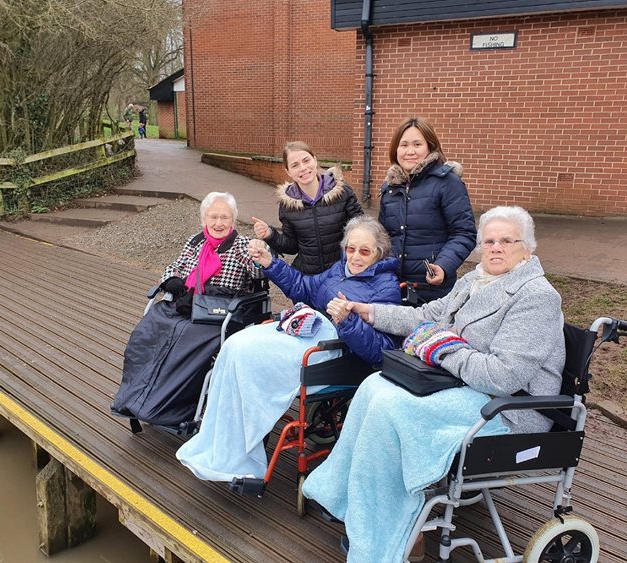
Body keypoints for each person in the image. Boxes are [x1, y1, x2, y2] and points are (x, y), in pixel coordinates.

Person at [302, 206, 565, 563]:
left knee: (393, 410)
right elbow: (426, 317)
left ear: (527, 249)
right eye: (489, 241)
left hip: (509, 409)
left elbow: (504, 377)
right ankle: (349, 500)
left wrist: (440, 348)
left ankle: (396, 536)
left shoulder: (536, 296)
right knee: (374, 387)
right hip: (465, 386)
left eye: (506, 241)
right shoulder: (476, 279)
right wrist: (368, 311)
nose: (496, 248)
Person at [176, 215, 402, 482]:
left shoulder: (385, 287)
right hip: (306, 330)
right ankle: (222, 443)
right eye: (350, 249)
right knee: (234, 345)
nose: (355, 257)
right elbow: (302, 286)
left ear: (379, 252)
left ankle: (242, 451)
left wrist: (348, 321)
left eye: (364, 251)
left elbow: (383, 349)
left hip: (333, 351)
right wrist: (270, 263)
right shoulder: (338, 271)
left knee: (247, 355)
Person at [110, 192, 264, 428]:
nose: (218, 223)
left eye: (224, 217)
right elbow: (176, 266)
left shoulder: (242, 245)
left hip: (217, 313)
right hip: (186, 304)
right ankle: (135, 399)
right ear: (204, 219)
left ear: (233, 220)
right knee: (147, 334)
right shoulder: (195, 242)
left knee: (183, 344)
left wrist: (260, 255)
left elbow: (259, 272)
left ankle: (167, 408)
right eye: (213, 217)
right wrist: (171, 279)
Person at [379, 117, 477, 304]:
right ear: (395, 149)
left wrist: (443, 265)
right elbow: (384, 237)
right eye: (404, 145)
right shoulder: (389, 189)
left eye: (417, 144)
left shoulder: (448, 183)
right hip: (394, 287)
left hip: (432, 290)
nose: (410, 151)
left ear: (430, 147)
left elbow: (464, 233)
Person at [252, 141, 363, 276]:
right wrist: (270, 235)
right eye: (295, 165)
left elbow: (362, 230)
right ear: (288, 172)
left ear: (315, 160)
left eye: (306, 160)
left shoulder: (342, 191)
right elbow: (292, 246)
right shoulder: (287, 205)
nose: (303, 168)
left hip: (341, 273)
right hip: (309, 277)